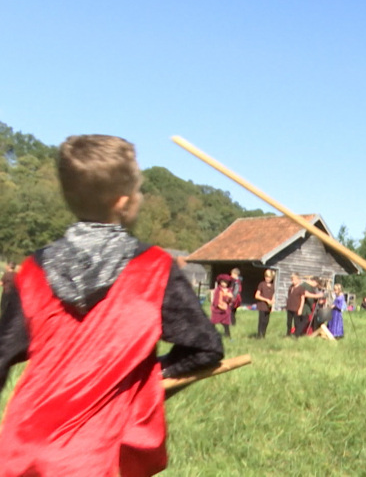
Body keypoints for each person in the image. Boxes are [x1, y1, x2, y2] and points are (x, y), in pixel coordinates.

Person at [0, 134, 224, 476]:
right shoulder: (155, 269)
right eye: (139, 189)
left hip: (26, 448)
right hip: (99, 454)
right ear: (124, 202)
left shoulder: (30, 272)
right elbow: (205, 348)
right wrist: (147, 378)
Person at [210, 274, 234, 338]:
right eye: (223, 281)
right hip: (217, 309)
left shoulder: (229, 290)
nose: (224, 283)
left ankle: (228, 336)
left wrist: (230, 298)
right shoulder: (218, 290)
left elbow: (230, 301)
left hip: (225, 310)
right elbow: (216, 300)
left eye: (226, 282)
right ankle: (210, 335)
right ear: (220, 282)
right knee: (213, 323)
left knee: (226, 324)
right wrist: (218, 305)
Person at [254, 269, 275, 338]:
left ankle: (263, 334)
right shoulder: (262, 284)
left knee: (266, 321)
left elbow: (272, 296)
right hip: (262, 306)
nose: (267, 279)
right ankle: (259, 335)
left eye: (269, 277)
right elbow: (257, 295)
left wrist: (272, 303)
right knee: (261, 321)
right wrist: (266, 300)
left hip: (268, 307)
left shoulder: (272, 286)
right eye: (266, 277)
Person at [285, 273, 307, 337]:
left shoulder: (301, 288)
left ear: (298, 280)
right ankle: (288, 334)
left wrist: (300, 308)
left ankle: (296, 335)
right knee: (289, 322)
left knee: (296, 322)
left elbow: (303, 299)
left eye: (294, 279)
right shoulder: (291, 287)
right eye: (292, 279)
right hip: (290, 307)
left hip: (296, 308)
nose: (292, 281)